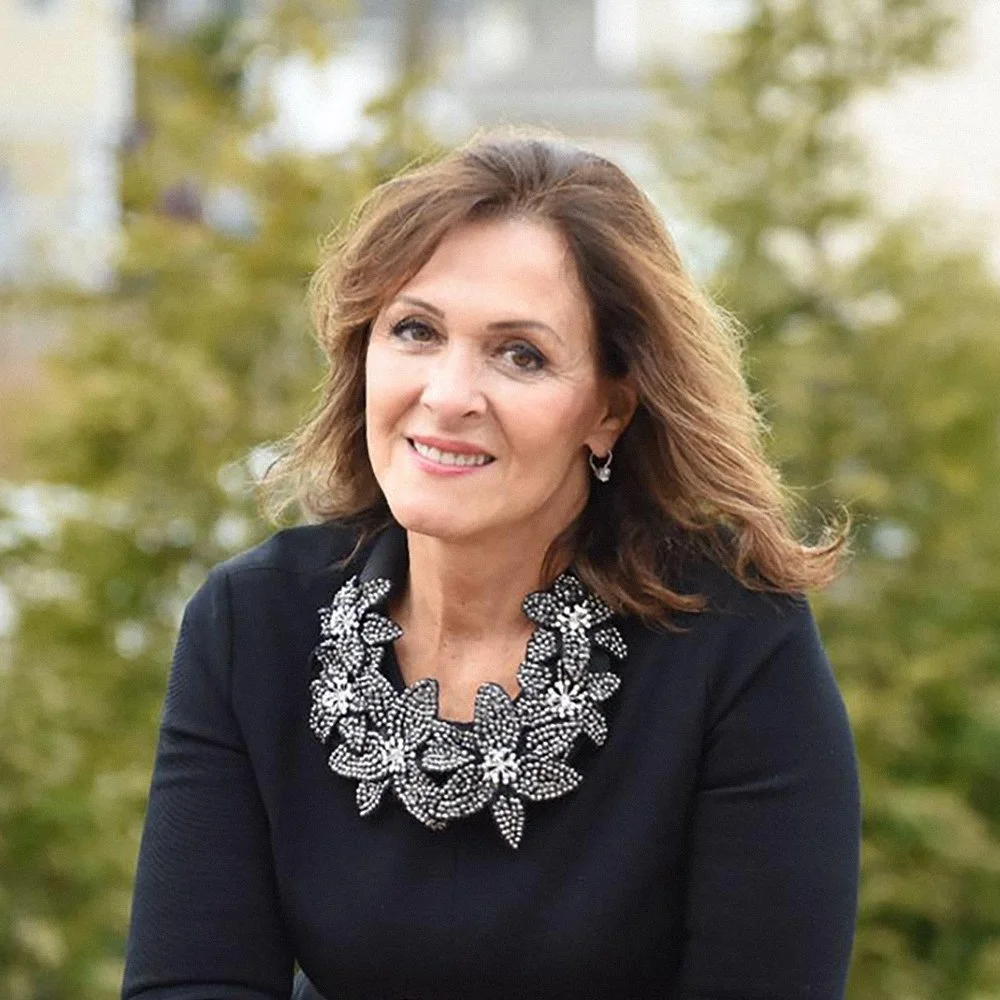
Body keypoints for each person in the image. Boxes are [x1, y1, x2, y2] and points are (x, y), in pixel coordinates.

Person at [121, 132, 860, 1000]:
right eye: (416, 331)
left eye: (521, 354)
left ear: (610, 411)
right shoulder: (254, 622)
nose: (447, 396)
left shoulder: (734, 640)